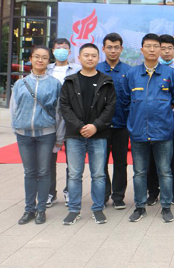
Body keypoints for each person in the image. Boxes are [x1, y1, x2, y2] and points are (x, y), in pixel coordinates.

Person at [120, 33, 174, 223]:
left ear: (161, 49)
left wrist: (161, 112)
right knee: (139, 172)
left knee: (165, 171)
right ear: (142, 49)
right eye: (148, 46)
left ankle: (166, 206)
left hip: (163, 131)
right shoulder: (132, 74)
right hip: (138, 131)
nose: (152, 49)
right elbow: (125, 101)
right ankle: (140, 207)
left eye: (156, 46)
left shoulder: (170, 74)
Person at [60, 44, 116, 225]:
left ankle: (98, 208)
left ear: (98, 58)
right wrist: (80, 127)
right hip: (74, 135)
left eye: (93, 55)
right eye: (86, 55)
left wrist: (95, 126)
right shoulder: (70, 81)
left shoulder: (106, 81)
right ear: (79, 57)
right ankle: (73, 210)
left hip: (98, 135)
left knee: (98, 174)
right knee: (74, 174)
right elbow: (64, 107)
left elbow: (110, 108)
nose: (90, 58)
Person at [11, 46, 64, 225]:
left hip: (46, 134)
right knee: (29, 172)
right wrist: (16, 128)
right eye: (36, 56)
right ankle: (29, 209)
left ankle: (41, 209)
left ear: (49, 61)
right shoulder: (20, 83)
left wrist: (59, 137)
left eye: (44, 57)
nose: (40, 60)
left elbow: (59, 112)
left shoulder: (55, 84)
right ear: (31, 59)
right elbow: (14, 108)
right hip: (24, 135)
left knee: (43, 171)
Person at [146, 35, 174, 206]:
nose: (166, 52)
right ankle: (152, 191)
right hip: (153, 119)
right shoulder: (149, 69)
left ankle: (171, 192)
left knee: (173, 157)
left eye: (170, 48)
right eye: (162, 48)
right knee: (151, 156)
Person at [96, 32, 132, 210]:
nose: (113, 50)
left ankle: (118, 196)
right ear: (103, 48)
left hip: (122, 125)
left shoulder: (129, 71)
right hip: (100, 126)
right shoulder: (96, 70)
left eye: (116, 47)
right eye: (109, 47)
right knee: (100, 163)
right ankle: (103, 195)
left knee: (120, 163)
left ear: (121, 49)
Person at [46, 38, 81, 208]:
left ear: (69, 51)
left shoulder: (77, 69)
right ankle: (49, 193)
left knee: (72, 161)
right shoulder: (46, 69)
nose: (61, 50)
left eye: (65, 48)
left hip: (71, 120)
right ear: (53, 51)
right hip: (49, 119)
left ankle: (69, 191)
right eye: (58, 48)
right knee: (48, 160)